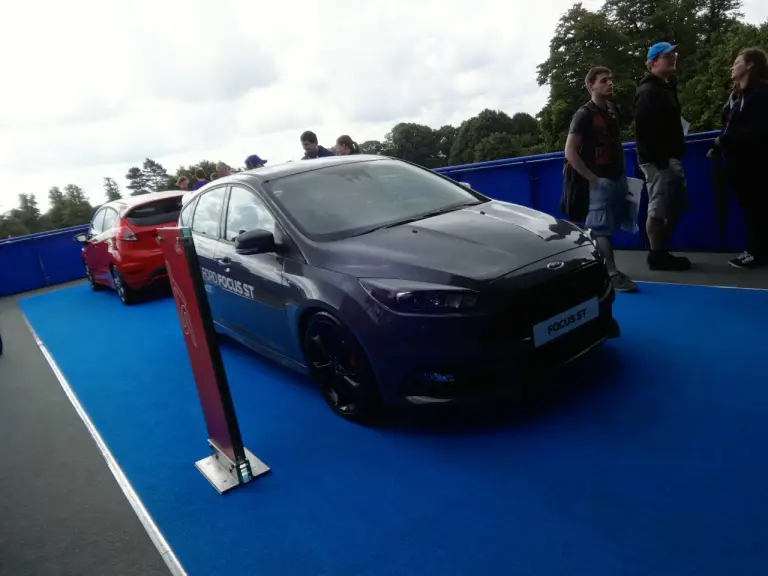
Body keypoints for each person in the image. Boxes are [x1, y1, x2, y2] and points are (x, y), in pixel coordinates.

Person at [564, 66, 637, 293]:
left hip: (616, 176)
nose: (610, 83)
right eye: (604, 80)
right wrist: (593, 179)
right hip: (599, 180)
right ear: (591, 85)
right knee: (600, 227)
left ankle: (597, 266)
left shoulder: (612, 110)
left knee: (609, 224)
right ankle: (612, 273)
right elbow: (570, 151)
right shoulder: (583, 115)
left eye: (610, 79)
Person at [633, 42, 691, 271]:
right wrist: (661, 161)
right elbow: (644, 131)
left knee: (676, 205)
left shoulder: (664, 88)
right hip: (659, 160)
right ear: (653, 61)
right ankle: (657, 254)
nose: (673, 57)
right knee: (658, 207)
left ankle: (660, 250)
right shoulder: (648, 92)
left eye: (674, 54)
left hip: (670, 157)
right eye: (668, 55)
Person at [715, 47, 768, 269]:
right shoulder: (737, 96)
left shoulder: (761, 94)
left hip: (755, 162)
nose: (732, 66)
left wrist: (725, 140)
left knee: (757, 206)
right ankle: (756, 249)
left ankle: (756, 253)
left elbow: (760, 130)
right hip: (735, 162)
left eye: (737, 61)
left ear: (750, 65)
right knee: (749, 207)